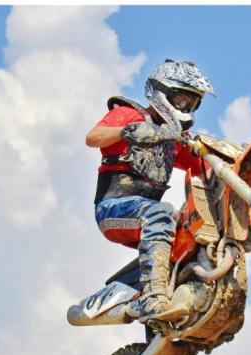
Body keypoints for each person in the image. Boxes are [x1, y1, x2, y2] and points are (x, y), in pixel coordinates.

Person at [85, 59, 213, 321]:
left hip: (147, 218)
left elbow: (206, 168)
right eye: (182, 101)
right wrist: (127, 132)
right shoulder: (131, 115)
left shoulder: (172, 140)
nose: (186, 108)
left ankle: (168, 314)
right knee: (162, 212)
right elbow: (93, 137)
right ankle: (153, 301)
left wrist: (247, 162)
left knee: (190, 232)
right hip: (113, 208)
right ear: (162, 92)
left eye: (192, 103)